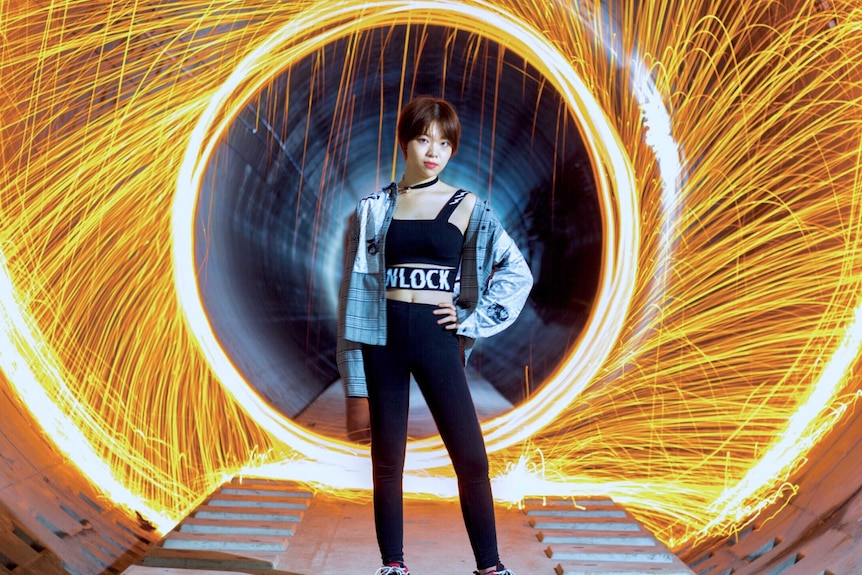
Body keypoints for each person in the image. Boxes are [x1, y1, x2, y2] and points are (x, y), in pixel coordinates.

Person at [336, 96, 533, 575]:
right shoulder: (371, 211)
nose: (433, 151)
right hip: (382, 340)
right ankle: (393, 565)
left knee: (471, 459)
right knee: (387, 463)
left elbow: (517, 272)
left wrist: (472, 319)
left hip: (436, 338)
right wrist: (354, 386)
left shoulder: (468, 208)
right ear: (404, 141)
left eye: (444, 143)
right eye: (424, 139)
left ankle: (490, 567)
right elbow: (352, 299)